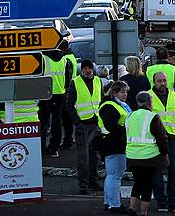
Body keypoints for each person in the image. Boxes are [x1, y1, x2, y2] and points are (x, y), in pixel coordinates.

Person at [149, 72, 175, 213]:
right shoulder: (148, 96)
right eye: (159, 81)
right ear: (154, 82)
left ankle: (173, 201)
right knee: (156, 172)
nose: (162, 83)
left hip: (171, 139)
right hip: (154, 140)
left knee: (174, 171)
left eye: (164, 80)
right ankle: (161, 201)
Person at [126, 91, 169, 216]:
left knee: (137, 182)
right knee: (147, 185)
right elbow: (162, 138)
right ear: (150, 102)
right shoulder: (152, 117)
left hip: (132, 156)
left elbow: (125, 136)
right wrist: (165, 154)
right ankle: (144, 212)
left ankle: (132, 207)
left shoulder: (130, 116)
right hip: (149, 157)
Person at [65, 59, 103, 195]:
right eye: (85, 68)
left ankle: (93, 181)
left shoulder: (98, 81)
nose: (88, 70)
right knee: (83, 157)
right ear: (82, 70)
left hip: (95, 124)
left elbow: (101, 101)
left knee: (95, 156)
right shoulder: (75, 82)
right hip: (83, 125)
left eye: (90, 68)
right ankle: (83, 185)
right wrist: (77, 122)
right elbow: (69, 104)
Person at [98, 81, 132, 213]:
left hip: (114, 143)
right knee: (115, 175)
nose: (125, 95)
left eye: (126, 92)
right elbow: (110, 126)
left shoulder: (119, 105)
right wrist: (125, 130)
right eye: (122, 92)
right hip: (113, 143)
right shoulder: (109, 106)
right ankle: (114, 204)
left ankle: (109, 202)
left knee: (112, 175)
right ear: (114, 93)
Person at [40, 45, 72, 157]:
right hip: (60, 94)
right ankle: (54, 148)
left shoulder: (43, 58)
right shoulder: (64, 59)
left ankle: (41, 148)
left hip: (45, 95)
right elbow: (68, 79)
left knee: (43, 123)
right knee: (56, 123)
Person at [60, 43, 78, 150]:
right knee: (68, 119)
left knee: (66, 119)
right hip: (71, 90)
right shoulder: (71, 56)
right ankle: (69, 139)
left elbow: (67, 77)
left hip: (66, 91)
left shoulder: (66, 59)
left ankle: (68, 140)